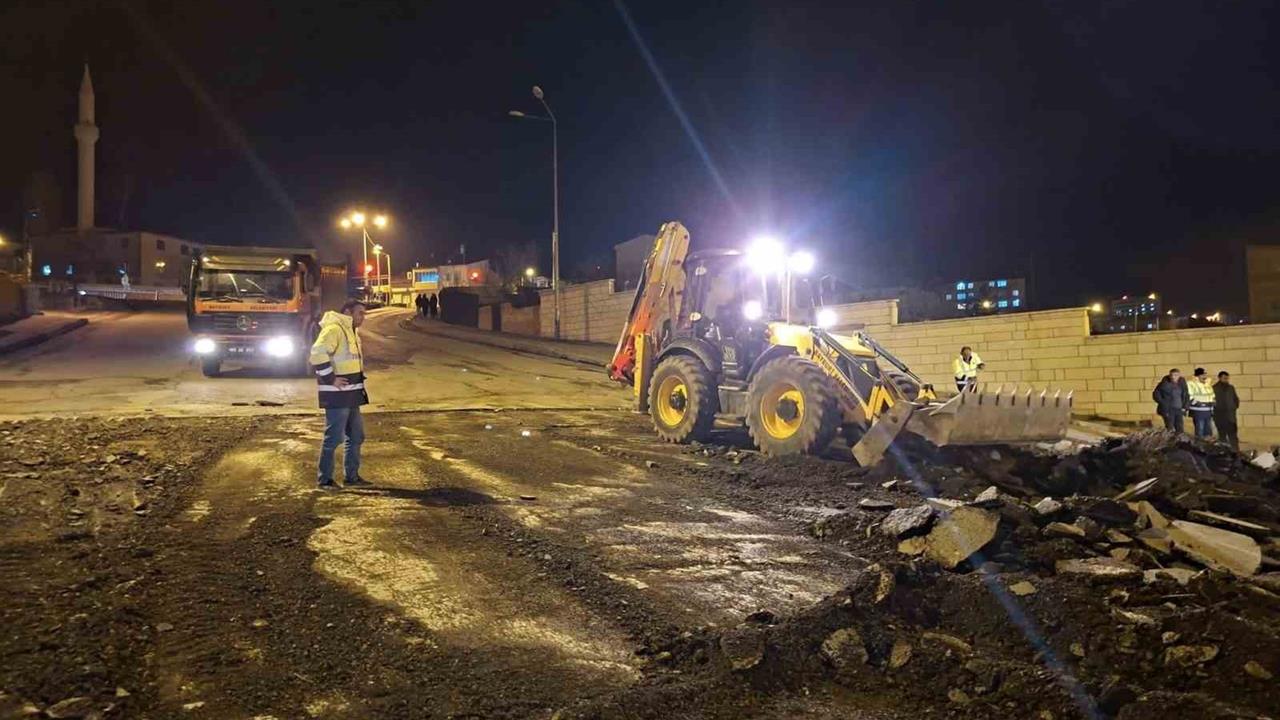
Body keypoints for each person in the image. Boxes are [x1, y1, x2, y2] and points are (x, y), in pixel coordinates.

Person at [308, 299, 372, 490]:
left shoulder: (352, 332)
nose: (363, 317)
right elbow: (317, 354)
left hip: (351, 394)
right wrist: (331, 379)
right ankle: (325, 480)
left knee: (356, 436)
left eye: (364, 314)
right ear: (348, 312)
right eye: (360, 313)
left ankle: (351, 477)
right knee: (333, 438)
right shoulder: (334, 329)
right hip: (337, 395)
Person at [1152, 368, 1190, 433]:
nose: (1173, 377)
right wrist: (1163, 403)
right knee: (1170, 428)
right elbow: (1156, 394)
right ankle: (1170, 439)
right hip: (1168, 410)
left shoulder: (1182, 383)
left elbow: (1186, 395)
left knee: (1180, 428)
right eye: (1171, 375)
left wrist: (1185, 407)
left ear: (1179, 376)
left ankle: (1179, 438)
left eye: (1175, 375)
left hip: (1179, 409)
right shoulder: (1164, 383)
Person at [1213, 371, 1240, 449]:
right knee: (1222, 436)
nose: (1226, 380)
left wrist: (1234, 407)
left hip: (1231, 416)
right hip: (1220, 416)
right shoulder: (1214, 388)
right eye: (1224, 378)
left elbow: (1235, 399)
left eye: (1227, 378)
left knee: (1233, 436)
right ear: (1219, 378)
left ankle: (1235, 451)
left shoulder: (1231, 388)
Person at [1187, 367, 1215, 438]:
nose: (1205, 376)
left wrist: (1213, 401)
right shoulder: (1191, 383)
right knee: (1200, 430)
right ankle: (1199, 444)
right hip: (1198, 410)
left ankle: (1208, 444)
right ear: (1198, 375)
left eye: (1205, 374)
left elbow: (1212, 395)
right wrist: (1197, 403)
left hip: (1208, 410)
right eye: (1203, 374)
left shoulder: (1207, 384)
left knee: (1208, 431)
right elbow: (1189, 396)